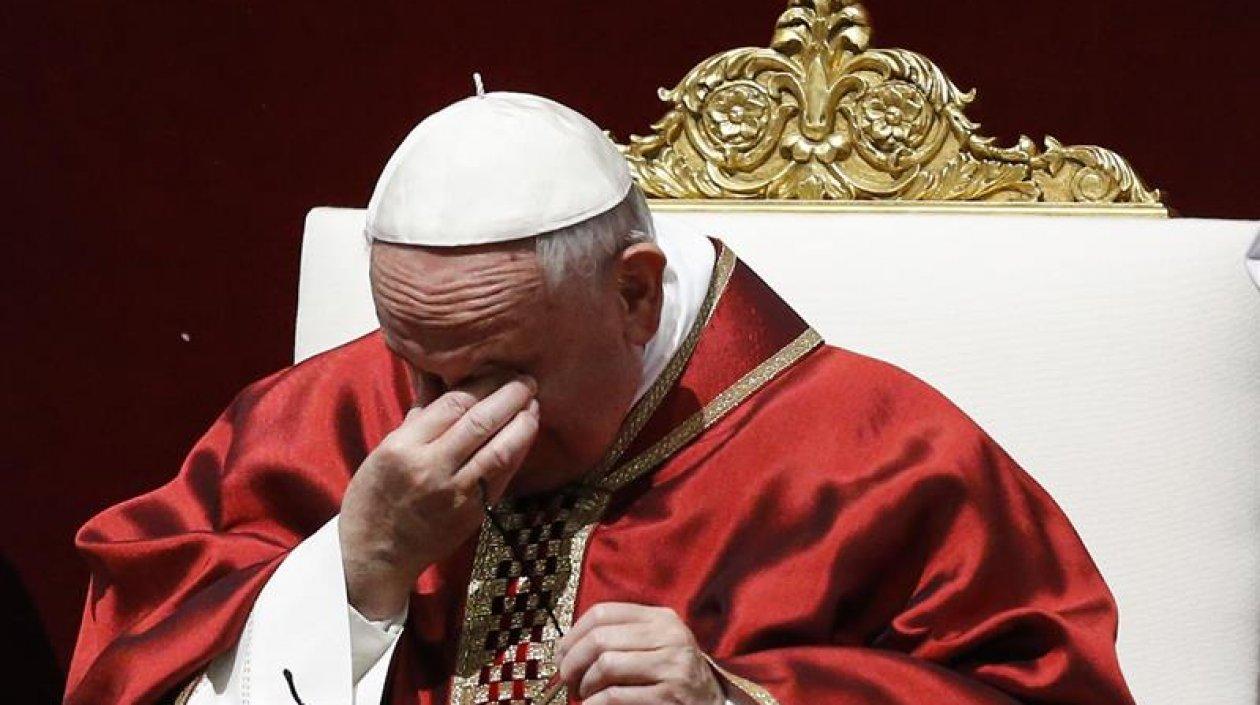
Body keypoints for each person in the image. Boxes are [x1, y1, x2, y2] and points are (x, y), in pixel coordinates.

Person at [65, 90, 1137, 705]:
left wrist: (740, 701)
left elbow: (1044, 690)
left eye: (491, 370)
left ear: (633, 294)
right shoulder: (329, 415)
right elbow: (124, 658)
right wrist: (351, 572)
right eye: (414, 359)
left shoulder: (877, 457)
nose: (437, 412)